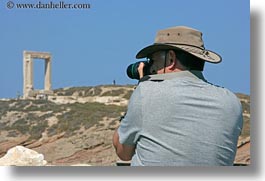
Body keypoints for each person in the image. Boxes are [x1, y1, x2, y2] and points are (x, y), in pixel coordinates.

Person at [113, 26, 243, 166]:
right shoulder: (231, 101)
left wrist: (141, 85)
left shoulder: (146, 92)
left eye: (152, 60)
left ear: (171, 58)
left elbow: (123, 152)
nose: (151, 67)